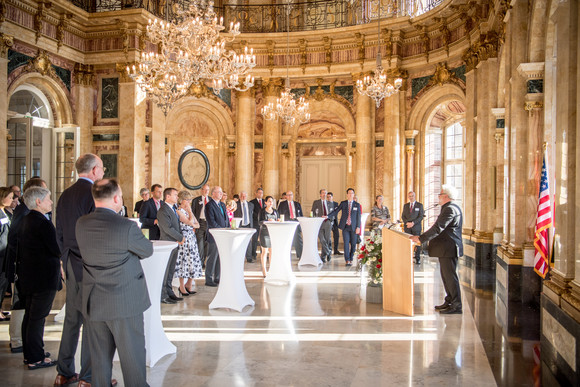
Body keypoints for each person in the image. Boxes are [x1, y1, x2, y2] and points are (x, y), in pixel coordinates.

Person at [76, 179, 153, 386]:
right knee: (132, 360)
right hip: (124, 302)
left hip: (94, 301)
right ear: (117, 198)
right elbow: (147, 250)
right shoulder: (126, 227)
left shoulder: (81, 223)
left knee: (99, 360)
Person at [55, 153, 105, 387]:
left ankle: (64, 371)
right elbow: (97, 231)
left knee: (72, 319)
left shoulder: (65, 194)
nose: (103, 173)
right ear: (94, 170)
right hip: (90, 264)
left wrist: (64, 260)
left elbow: (60, 232)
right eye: (102, 168)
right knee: (92, 319)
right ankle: (88, 377)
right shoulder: (94, 194)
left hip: (71, 263)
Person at [16, 187, 61, 370]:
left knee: (30, 317)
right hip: (43, 277)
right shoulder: (43, 222)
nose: (51, 202)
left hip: (30, 276)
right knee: (37, 318)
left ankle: (31, 354)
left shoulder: (25, 219)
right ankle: (36, 358)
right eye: (49, 199)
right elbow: (56, 248)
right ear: (38, 202)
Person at [5, 178, 47, 353]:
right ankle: (17, 340)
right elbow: (15, 240)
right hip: (21, 266)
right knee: (20, 303)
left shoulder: (26, 210)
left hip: (23, 264)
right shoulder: (24, 212)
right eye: (43, 191)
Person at [410, 185, 463, 314]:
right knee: (446, 276)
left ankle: (456, 305)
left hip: (449, 248)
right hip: (446, 248)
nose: (438, 197)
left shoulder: (450, 209)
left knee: (450, 277)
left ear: (446, 196)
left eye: (440, 195)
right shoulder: (448, 208)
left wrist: (421, 238)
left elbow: (438, 228)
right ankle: (449, 300)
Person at [157, 188, 184, 304]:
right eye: (175, 195)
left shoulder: (173, 208)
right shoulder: (163, 210)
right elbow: (167, 228)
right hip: (167, 243)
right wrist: (180, 237)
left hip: (174, 244)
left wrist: (179, 237)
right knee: (166, 270)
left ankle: (169, 292)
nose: (177, 197)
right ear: (167, 196)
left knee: (171, 270)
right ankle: (163, 295)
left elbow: (177, 225)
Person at [175, 190, 202, 296]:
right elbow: (190, 222)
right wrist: (190, 213)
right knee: (184, 263)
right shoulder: (178, 211)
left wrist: (192, 220)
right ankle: (181, 286)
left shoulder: (188, 211)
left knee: (193, 261)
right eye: (188, 200)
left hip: (192, 238)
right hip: (184, 239)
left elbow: (197, 225)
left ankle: (189, 284)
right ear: (182, 200)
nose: (189, 202)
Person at [326, 188, 362, 266]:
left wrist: (358, 227)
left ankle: (351, 257)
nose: (350, 194)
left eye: (352, 193)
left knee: (353, 244)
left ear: (353, 194)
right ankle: (347, 260)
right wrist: (327, 216)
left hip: (354, 227)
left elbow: (358, 217)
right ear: (347, 195)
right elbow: (336, 211)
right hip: (345, 227)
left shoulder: (357, 205)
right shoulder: (343, 203)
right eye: (349, 193)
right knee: (346, 243)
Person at [205, 186, 229, 286]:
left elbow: (226, 219)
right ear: (213, 194)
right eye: (218, 192)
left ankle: (218, 277)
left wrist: (227, 229)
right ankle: (209, 279)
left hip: (223, 235)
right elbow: (211, 221)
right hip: (214, 235)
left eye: (221, 192)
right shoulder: (209, 205)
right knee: (212, 257)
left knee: (220, 257)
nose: (221, 194)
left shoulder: (222, 205)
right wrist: (220, 230)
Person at [0, 187, 14, 322]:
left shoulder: (5, 212)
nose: (11, 200)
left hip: (5, 253)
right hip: (0, 254)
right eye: (9, 197)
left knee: (3, 283)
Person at [277, 191, 303, 259]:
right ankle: (286, 255)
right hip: (287, 223)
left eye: (291, 195)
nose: (289, 196)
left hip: (295, 222)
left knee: (298, 239)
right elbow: (279, 213)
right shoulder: (282, 204)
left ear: (292, 195)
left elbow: (301, 215)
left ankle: (300, 255)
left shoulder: (297, 204)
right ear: (286, 196)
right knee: (287, 239)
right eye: (288, 195)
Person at [258, 196, 279, 276]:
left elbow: (278, 220)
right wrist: (267, 221)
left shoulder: (275, 211)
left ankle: (271, 269)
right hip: (264, 232)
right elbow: (259, 222)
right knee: (264, 252)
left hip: (273, 233)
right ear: (265, 202)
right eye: (269, 201)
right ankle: (264, 271)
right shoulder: (262, 211)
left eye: (272, 201)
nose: (271, 203)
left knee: (272, 252)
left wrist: (277, 221)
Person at [402, 191, 424, 264]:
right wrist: (407, 223)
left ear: (415, 196)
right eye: (410, 196)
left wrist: (413, 223)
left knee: (417, 243)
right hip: (407, 227)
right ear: (408, 197)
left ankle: (417, 258)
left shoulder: (419, 205)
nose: (411, 197)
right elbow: (403, 216)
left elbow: (421, 216)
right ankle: (408, 258)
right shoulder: (405, 205)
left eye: (412, 196)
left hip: (416, 227)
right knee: (407, 242)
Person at [312, 188, 332, 262]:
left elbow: (332, 213)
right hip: (319, 223)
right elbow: (313, 212)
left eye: (325, 193)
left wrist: (331, 221)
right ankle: (328, 252)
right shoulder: (316, 202)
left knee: (327, 240)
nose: (324, 194)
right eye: (323, 193)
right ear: (320, 194)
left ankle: (323, 257)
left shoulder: (329, 203)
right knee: (322, 240)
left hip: (327, 223)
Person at [192, 184, 210, 267]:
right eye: (205, 190)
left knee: (207, 243)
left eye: (208, 190)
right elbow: (192, 213)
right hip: (200, 223)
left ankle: (204, 260)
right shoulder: (196, 200)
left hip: (208, 224)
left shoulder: (211, 200)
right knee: (200, 243)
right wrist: (193, 226)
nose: (206, 191)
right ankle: (200, 262)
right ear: (201, 190)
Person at [233, 191, 254, 262]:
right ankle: (238, 257)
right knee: (238, 242)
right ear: (239, 197)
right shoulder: (236, 204)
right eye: (242, 196)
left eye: (245, 196)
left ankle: (249, 258)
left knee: (248, 242)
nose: (243, 197)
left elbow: (251, 215)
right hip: (239, 225)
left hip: (248, 225)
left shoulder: (251, 205)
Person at [249, 188, 265, 262]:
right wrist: (259, 216)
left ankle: (263, 254)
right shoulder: (252, 202)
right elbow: (251, 212)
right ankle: (253, 254)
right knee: (254, 239)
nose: (260, 194)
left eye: (261, 193)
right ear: (256, 193)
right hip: (255, 222)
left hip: (263, 223)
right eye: (259, 193)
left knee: (263, 239)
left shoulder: (265, 201)